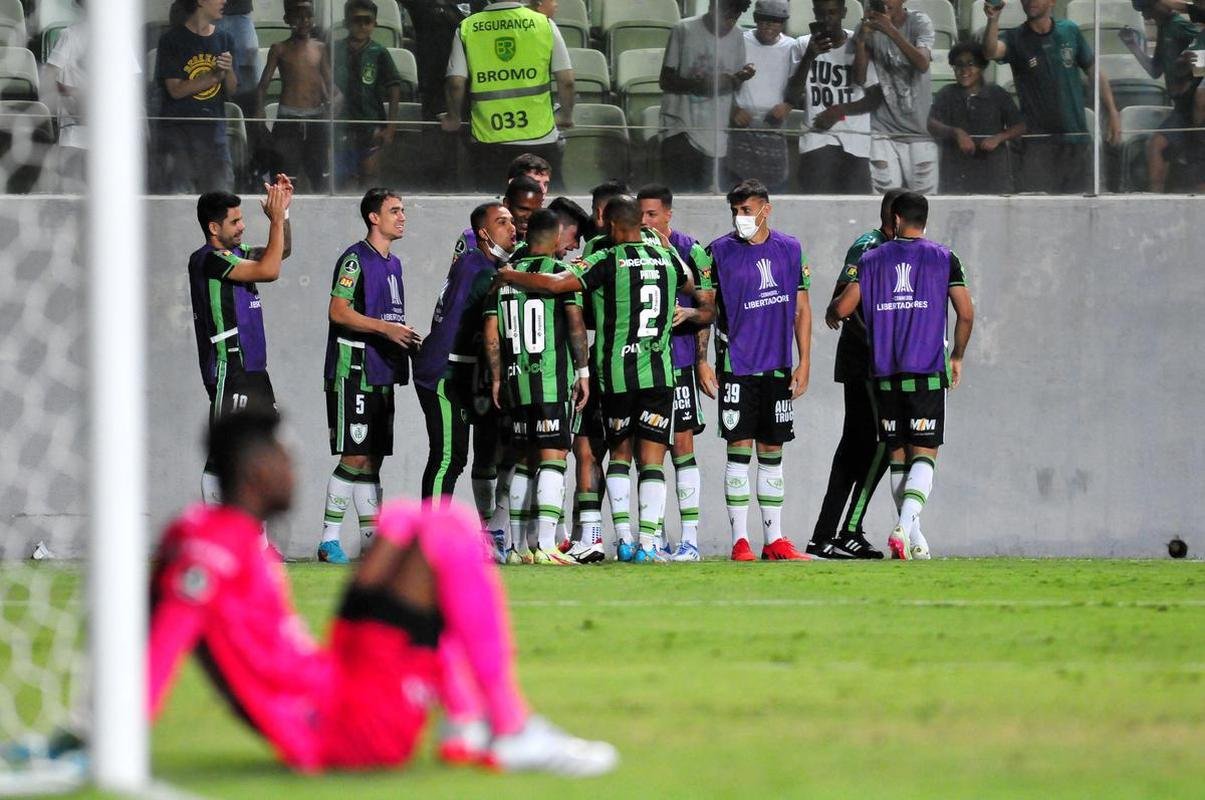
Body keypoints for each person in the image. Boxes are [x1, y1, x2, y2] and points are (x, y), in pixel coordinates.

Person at [149, 411, 619, 775]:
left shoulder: (203, 531)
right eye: (285, 456)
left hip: (338, 676)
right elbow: (162, 645)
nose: (294, 469)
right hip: (348, 726)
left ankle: (463, 722)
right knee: (451, 528)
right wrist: (111, 736)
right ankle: (509, 726)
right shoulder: (212, 554)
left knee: (400, 520)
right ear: (256, 470)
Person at [495, 196, 709, 564]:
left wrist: (509, 274)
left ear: (610, 226)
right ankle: (649, 544)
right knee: (654, 461)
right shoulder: (668, 257)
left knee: (621, 456)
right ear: (640, 223)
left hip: (617, 375)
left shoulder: (607, 258)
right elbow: (690, 283)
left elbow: (556, 284)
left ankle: (624, 539)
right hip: (660, 373)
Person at [826, 191, 973, 559]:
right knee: (925, 454)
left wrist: (833, 310)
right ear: (923, 220)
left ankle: (914, 540)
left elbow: (843, 307)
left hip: (885, 373)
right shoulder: (944, 258)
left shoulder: (873, 258)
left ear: (893, 219)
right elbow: (966, 313)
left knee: (897, 455)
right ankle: (904, 527)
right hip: (926, 369)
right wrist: (956, 355)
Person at [707, 179, 812, 562]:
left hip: (778, 367)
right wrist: (704, 361)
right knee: (738, 450)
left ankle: (775, 540)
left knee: (772, 450)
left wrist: (805, 362)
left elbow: (802, 308)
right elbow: (705, 309)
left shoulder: (791, 249)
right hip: (738, 366)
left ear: (766, 209)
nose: (740, 218)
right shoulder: (717, 252)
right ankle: (740, 540)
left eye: (746, 210)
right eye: (734, 211)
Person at [319, 189, 421, 564]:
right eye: (394, 210)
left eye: (403, 210)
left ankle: (370, 544)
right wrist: (384, 329)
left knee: (374, 458)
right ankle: (329, 540)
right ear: (373, 218)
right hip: (354, 370)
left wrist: (405, 337)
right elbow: (338, 311)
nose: (402, 216)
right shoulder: (354, 259)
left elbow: (389, 322)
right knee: (355, 454)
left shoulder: (394, 264)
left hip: (382, 370)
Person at [483, 209, 590, 564]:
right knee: (554, 457)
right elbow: (575, 325)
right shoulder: (559, 275)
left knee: (524, 460)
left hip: (516, 381)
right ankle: (545, 545)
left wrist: (498, 378)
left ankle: (517, 548)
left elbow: (491, 334)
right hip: (549, 380)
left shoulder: (503, 278)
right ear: (555, 237)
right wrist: (583, 371)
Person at [411, 202, 517, 543]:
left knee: (453, 457)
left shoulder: (478, 263)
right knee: (447, 457)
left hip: (455, 370)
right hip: (444, 372)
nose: (511, 228)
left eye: (512, 221)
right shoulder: (482, 269)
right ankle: (430, 540)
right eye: (502, 222)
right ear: (483, 233)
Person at [805, 189, 902, 560]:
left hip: (875, 361)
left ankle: (833, 534)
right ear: (894, 217)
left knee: (860, 444)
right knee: (880, 440)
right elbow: (842, 301)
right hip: (865, 360)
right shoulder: (869, 245)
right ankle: (841, 531)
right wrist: (879, 345)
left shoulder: (894, 251)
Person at [188, 175, 293, 507]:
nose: (243, 226)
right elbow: (270, 270)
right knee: (226, 450)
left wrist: (284, 216)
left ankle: (257, 539)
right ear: (213, 228)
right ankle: (214, 535)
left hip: (254, 366)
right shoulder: (208, 259)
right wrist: (274, 220)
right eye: (235, 221)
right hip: (229, 364)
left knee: (260, 447)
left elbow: (281, 251)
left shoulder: (237, 252)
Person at [636, 184, 716, 562]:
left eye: (652, 214)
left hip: (679, 362)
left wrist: (701, 357)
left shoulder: (691, 249)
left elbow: (709, 309)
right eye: (641, 214)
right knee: (646, 452)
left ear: (668, 214)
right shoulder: (631, 250)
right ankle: (655, 538)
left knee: (682, 447)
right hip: (641, 365)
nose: (645, 221)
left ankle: (690, 540)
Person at [981, 0, 1122, 193]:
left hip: (1076, 138)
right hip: (1038, 143)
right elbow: (990, 52)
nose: (1030, 1)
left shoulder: (1069, 30)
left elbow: (1094, 71)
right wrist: (993, 20)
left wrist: (1113, 112)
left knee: (1082, 208)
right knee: (1036, 211)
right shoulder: (1015, 37)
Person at [442, 0, 575, 190]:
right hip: (540, 138)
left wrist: (453, 118)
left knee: (495, 211)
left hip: (490, 140)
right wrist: (566, 116)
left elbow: (455, 83)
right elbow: (567, 81)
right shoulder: (543, 23)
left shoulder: (467, 27)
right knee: (547, 209)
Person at [659, 0, 756, 191]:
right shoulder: (683, 29)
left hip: (715, 133)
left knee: (706, 200)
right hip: (681, 127)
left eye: (734, 18)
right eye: (725, 16)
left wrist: (740, 79)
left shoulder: (737, 36)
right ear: (712, 8)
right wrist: (701, 84)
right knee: (680, 198)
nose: (729, 23)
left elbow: (730, 84)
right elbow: (666, 80)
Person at [787, 0, 883, 193]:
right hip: (817, 137)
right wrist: (809, 56)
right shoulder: (803, 44)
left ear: (843, 13)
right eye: (821, 13)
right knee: (817, 209)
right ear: (814, 13)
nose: (826, 19)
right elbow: (791, 95)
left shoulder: (859, 42)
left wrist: (839, 111)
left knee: (856, 212)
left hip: (855, 140)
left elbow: (875, 98)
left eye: (832, 13)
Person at [852, 0, 938, 194]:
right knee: (884, 203)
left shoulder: (918, 21)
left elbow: (922, 63)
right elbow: (859, 78)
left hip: (919, 129)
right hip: (883, 129)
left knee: (924, 204)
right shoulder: (866, 26)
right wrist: (862, 40)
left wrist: (890, 30)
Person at [154, 0, 238, 193]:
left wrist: (229, 70)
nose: (224, 1)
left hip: (215, 138)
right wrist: (214, 76)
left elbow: (232, 90)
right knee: (179, 204)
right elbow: (176, 90)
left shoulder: (225, 39)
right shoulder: (171, 41)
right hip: (180, 138)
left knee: (220, 204)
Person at [1118, 0, 1203, 191]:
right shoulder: (1165, 28)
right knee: (1156, 146)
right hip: (1181, 109)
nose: (1147, 15)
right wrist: (1133, 47)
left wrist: (1189, 78)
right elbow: (1155, 70)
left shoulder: (1179, 25)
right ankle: (1155, 196)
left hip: (1194, 108)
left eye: (1147, 9)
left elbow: (1201, 52)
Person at [256, 0, 334, 192]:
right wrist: (260, 119)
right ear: (287, 19)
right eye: (298, 16)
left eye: (308, 16)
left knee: (320, 178)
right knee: (285, 178)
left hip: (316, 117)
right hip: (288, 119)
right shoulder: (279, 48)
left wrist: (333, 106)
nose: (304, 21)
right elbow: (263, 86)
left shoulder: (320, 48)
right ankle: (284, 220)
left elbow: (331, 87)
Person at [927, 42, 1025, 194]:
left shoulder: (997, 93)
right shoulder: (946, 93)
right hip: (955, 173)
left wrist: (999, 137)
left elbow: (1020, 125)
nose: (964, 70)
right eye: (958, 65)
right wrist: (956, 132)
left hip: (993, 172)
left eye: (970, 64)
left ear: (982, 66)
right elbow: (931, 123)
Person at [728, 0, 802, 190]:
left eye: (775, 21)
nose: (768, 25)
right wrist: (733, 109)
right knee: (738, 190)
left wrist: (788, 106)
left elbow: (798, 85)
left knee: (773, 192)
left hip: (774, 128)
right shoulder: (740, 40)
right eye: (763, 20)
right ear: (755, 19)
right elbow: (725, 80)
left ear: (783, 22)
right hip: (741, 127)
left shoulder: (792, 46)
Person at [334, 0, 402, 189]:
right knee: (345, 178)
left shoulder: (379, 52)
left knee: (370, 176)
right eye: (357, 20)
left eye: (367, 21)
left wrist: (391, 126)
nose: (362, 25)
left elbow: (394, 86)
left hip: (371, 122)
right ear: (347, 22)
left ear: (375, 23)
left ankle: (370, 215)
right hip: (341, 123)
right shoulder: (335, 50)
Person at [214, 0, 260, 119]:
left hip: (241, 14)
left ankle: (248, 120)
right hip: (211, 13)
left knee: (248, 59)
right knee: (213, 64)